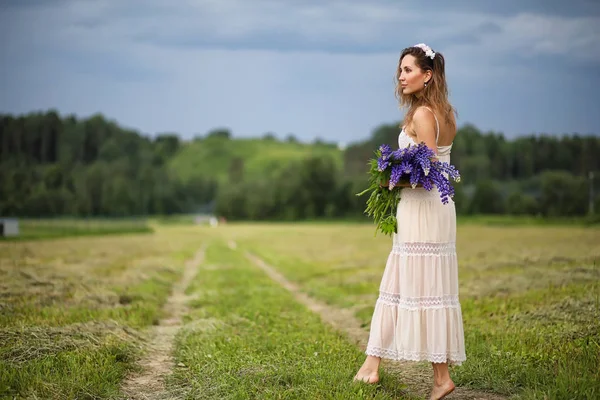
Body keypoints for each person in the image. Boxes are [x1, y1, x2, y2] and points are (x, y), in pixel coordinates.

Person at [353, 43, 466, 400]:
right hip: (439, 209)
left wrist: (391, 178)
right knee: (420, 286)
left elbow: (429, 168)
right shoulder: (445, 113)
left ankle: (434, 378)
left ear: (427, 74)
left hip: (423, 209)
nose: (401, 77)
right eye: (400, 71)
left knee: (413, 285)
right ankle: (375, 365)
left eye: (408, 70)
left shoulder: (421, 115)